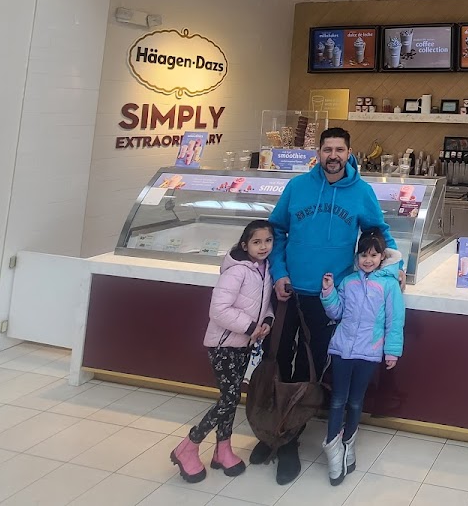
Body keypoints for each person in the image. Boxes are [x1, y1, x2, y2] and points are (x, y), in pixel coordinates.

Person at [256, 127, 400, 485]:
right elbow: (276, 232)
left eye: (339, 149)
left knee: (310, 367)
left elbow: (378, 232)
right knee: (276, 360)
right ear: (317, 153)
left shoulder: (361, 192)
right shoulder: (297, 187)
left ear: (349, 153)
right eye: (327, 149)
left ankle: (290, 435)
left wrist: (395, 266)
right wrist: (279, 273)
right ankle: (273, 429)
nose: (332, 155)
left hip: (329, 297)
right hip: (289, 292)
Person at [171, 220, 274, 483]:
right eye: (257, 242)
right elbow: (218, 310)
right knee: (229, 399)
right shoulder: (236, 272)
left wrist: (267, 320)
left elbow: (263, 304)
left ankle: (223, 449)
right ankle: (188, 446)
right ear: (245, 245)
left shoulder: (265, 269)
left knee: (231, 398)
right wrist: (250, 326)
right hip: (224, 345)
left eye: (268, 241)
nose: (263, 246)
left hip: (244, 344)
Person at [318, 229, 405, 486]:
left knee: (356, 401)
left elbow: (395, 321)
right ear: (357, 257)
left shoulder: (389, 285)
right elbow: (336, 313)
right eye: (364, 255)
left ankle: (348, 445)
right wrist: (329, 293)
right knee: (337, 400)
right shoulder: (348, 282)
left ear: (382, 258)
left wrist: (392, 351)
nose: (368, 260)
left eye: (373, 255)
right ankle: (333, 449)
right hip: (342, 350)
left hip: (369, 352)